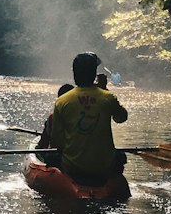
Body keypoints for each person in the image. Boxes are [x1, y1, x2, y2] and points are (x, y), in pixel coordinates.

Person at [50, 52, 129, 182]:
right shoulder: (108, 98)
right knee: (120, 156)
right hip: (104, 167)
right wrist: (104, 89)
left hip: (72, 167)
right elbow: (122, 118)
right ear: (94, 75)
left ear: (74, 74)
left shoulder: (62, 101)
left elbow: (57, 141)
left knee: (51, 157)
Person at [36, 83, 73, 149]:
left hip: (56, 155)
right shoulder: (82, 117)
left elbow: (43, 143)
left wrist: (39, 148)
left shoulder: (52, 118)